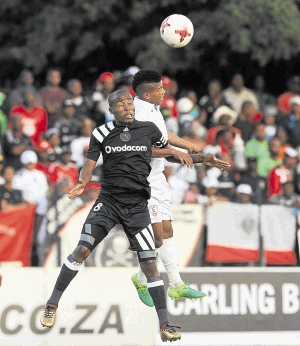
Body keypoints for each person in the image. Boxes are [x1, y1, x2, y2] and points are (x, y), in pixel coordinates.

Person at [40, 89, 187, 342]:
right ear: (111, 111)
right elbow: (90, 162)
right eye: (121, 104)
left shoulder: (150, 129)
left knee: (150, 264)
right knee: (82, 250)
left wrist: (188, 155)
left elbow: (166, 152)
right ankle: (52, 304)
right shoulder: (100, 133)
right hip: (108, 203)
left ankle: (165, 324)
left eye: (130, 102)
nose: (128, 106)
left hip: (138, 206)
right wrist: (82, 182)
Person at [130, 69, 230, 307]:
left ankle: (174, 284)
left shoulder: (152, 108)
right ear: (147, 93)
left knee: (166, 231)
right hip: (142, 180)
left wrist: (189, 147)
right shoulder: (138, 114)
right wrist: (180, 153)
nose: (164, 92)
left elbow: (164, 136)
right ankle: (147, 279)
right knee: (156, 236)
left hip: (157, 176)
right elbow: (145, 149)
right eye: (160, 89)